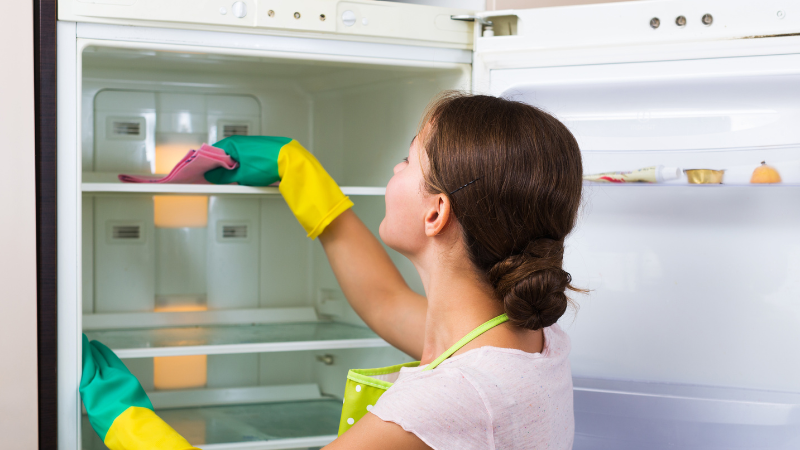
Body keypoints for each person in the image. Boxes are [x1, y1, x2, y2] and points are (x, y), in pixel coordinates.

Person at [81, 91, 583, 450]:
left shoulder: (442, 404)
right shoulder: (524, 342)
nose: (393, 171)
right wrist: (300, 175)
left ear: (435, 213)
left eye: (406, 160)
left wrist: (127, 422)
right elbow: (383, 300)